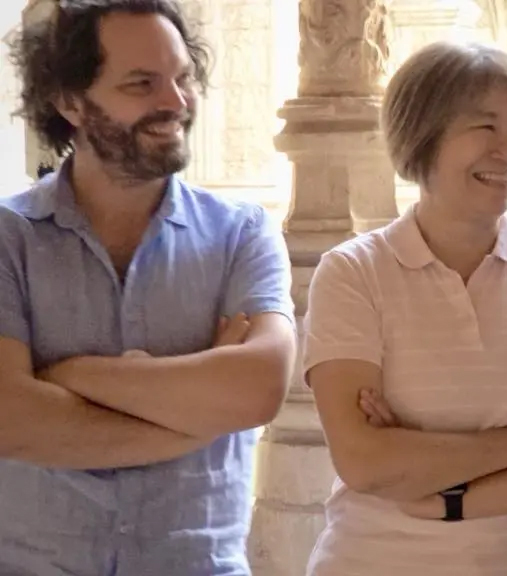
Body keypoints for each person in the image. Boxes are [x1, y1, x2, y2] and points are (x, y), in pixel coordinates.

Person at [302, 41, 507, 576]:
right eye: (485, 127)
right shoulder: (353, 272)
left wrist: (445, 495)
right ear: (422, 135)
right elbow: (364, 462)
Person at [0, 1, 296, 574]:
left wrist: (75, 375)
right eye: (142, 83)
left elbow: (259, 389)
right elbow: (9, 419)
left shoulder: (242, 233)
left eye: (183, 77)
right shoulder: (8, 238)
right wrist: (199, 419)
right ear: (69, 101)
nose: (176, 101)